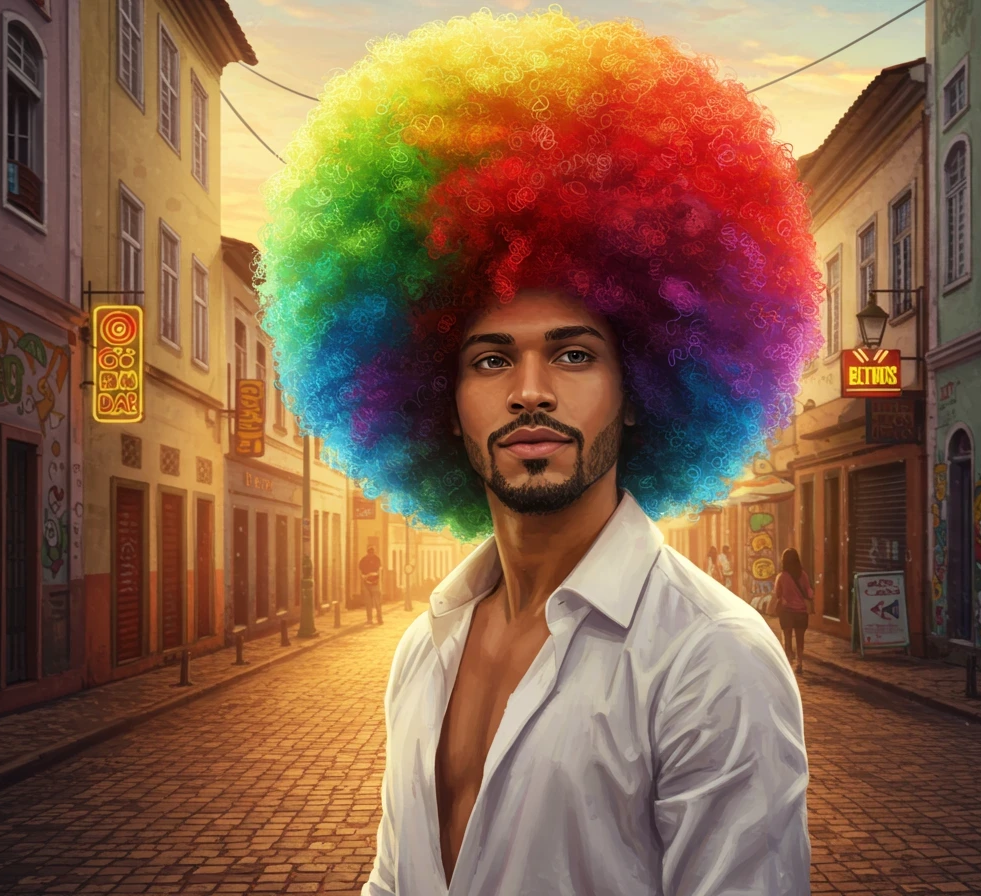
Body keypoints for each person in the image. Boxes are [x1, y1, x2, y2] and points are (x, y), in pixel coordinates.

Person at [257, 10, 821, 894]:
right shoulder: (427, 643)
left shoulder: (712, 662)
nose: (529, 390)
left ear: (642, 389)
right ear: (433, 401)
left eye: (572, 353)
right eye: (490, 359)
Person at [773, 549, 814, 674]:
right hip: (801, 612)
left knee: (787, 637)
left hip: (787, 612)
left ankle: (788, 662)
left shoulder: (781, 577)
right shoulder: (803, 575)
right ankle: (799, 662)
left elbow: (777, 593)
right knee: (800, 638)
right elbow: (809, 592)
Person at [359, 545, 384, 625]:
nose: (371, 553)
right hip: (366, 584)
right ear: (367, 552)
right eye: (370, 551)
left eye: (372, 551)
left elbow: (379, 570)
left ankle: (379, 618)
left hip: (375, 583)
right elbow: (361, 572)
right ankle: (370, 619)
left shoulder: (377, 559)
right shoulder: (363, 560)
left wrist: (376, 577)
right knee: (368, 603)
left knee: (377, 602)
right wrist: (365, 577)